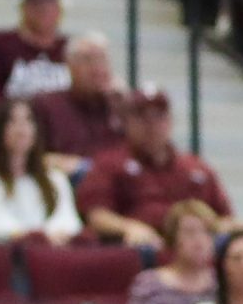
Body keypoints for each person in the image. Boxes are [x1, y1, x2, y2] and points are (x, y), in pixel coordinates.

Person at [77, 90, 233, 250]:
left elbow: (225, 217)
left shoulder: (196, 167)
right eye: (142, 118)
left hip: (193, 247)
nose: (152, 125)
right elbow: (97, 215)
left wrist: (214, 229)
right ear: (127, 122)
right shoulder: (109, 164)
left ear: (170, 121)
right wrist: (129, 228)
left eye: (159, 117)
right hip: (136, 248)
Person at [0, 99, 84, 245]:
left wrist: (52, 237)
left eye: (28, 120)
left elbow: (68, 219)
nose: (21, 128)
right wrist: (34, 237)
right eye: (12, 121)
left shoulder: (54, 177)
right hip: (8, 255)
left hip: (53, 251)